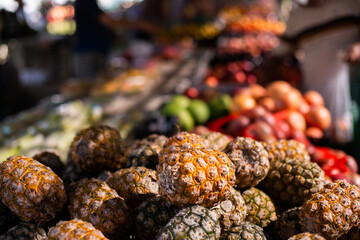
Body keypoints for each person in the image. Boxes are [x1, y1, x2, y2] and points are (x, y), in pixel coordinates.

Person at [283, 0, 360, 144]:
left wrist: (357, 49)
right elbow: (280, 52)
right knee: (323, 136)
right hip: (312, 96)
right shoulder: (297, 16)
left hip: (352, 89)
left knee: (350, 137)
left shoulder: (352, 5)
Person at [73, 0, 156, 80]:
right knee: (89, 87)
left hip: (95, 51)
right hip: (88, 53)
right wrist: (140, 24)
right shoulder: (85, 1)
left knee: (98, 83)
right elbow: (106, 20)